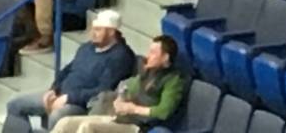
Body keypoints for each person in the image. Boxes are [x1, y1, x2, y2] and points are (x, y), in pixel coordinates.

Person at [46, 34, 187, 133]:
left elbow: (164, 111)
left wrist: (133, 109)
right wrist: (120, 99)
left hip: (138, 127)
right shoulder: (146, 72)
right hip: (119, 118)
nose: (148, 55)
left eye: (153, 52)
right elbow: (126, 87)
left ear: (165, 57)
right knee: (65, 124)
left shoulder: (174, 80)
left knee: (87, 128)